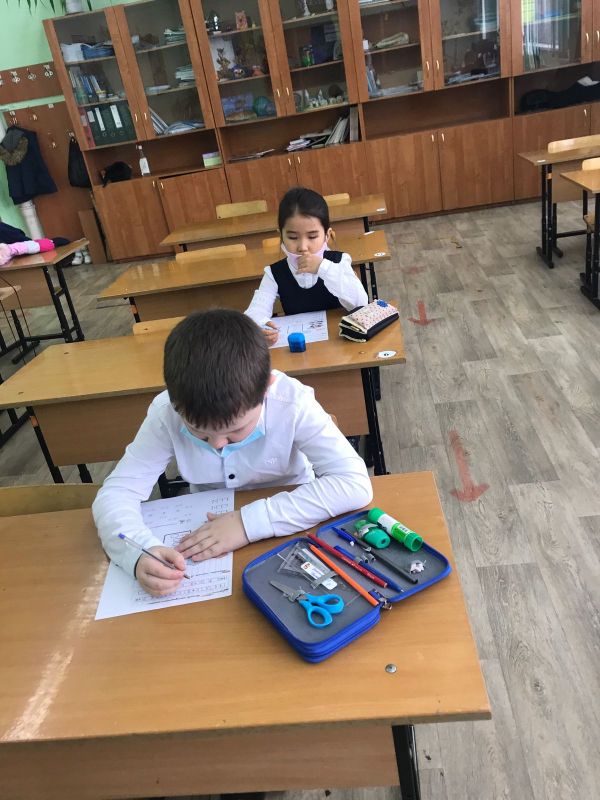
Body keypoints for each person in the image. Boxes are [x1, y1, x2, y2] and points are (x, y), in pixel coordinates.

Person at [92, 309, 372, 597]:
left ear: (266, 388)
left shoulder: (293, 403)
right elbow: (117, 493)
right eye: (199, 433)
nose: (217, 445)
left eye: (236, 431)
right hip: (206, 534)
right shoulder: (166, 413)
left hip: (292, 524)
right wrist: (137, 552)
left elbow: (354, 483)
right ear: (173, 400)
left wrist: (247, 523)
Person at [245, 187, 368, 345]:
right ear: (281, 235)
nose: (303, 247)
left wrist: (323, 267)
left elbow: (360, 303)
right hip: (300, 349)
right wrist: (260, 325)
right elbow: (256, 310)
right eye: (292, 237)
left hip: (341, 344)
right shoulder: (274, 273)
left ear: (327, 235)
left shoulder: (339, 261)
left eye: (312, 236)